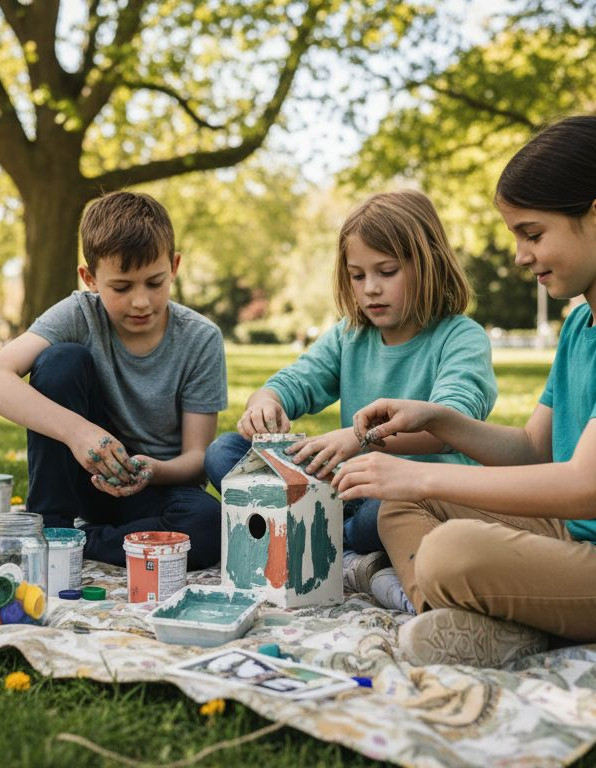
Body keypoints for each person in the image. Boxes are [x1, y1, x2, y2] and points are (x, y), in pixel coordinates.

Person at [334, 116, 596, 667]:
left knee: (449, 550)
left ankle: (493, 618)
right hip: (589, 543)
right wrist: (439, 421)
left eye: (532, 233)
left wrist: (421, 468)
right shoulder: (582, 324)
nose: (519, 255)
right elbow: (534, 449)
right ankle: (471, 622)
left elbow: (586, 485)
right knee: (404, 503)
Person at [203, 190, 496, 604]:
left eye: (387, 271)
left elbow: (450, 426)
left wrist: (358, 441)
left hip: (409, 495)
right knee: (223, 453)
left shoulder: (461, 337)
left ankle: (317, 542)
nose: (371, 289)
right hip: (344, 489)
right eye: (358, 276)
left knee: (383, 514)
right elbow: (295, 381)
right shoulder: (350, 335)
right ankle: (335, 547)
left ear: (428, 263)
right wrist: (264, 402)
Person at [0, 191, 226, 569]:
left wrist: (152, 470)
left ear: (174, 266)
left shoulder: (201, 338)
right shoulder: (78, 313)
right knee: (60, 360)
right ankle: (53, 526)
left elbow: (197, 459)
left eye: (155, 283)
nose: (141, 302)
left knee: (209, 525)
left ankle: (80, 542)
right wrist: (78, 432)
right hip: (85, 482)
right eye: (121, 287)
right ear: (90, 278)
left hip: (157, 492)